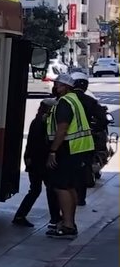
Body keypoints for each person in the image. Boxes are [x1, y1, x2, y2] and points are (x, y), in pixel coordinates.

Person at [45, 73, 95, 239]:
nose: (55, 87)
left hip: (68, 149)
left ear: (65, 87)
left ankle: (67, 225)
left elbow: (62, 129)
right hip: (78, 150)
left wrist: (53, 151)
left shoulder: (65, 102)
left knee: (61, 186)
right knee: (70, 186)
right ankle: (70, 223)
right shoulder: (74, 99)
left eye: (58, 84)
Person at [13, 99, 62, 228]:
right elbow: (39, 144)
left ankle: (20, 215)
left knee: (36, 189)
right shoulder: (43, 122)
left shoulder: (37, 120)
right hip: (40, 162)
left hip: (34, 161)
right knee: (49, 189)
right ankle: (55, 218)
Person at [69, 72, 110, 201]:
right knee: (83, 168)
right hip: (86, 142)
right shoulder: (90, 101)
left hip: (67, 140)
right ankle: (80, 199)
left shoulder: (66, 100)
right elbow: (103, 119)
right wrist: (96, 128)